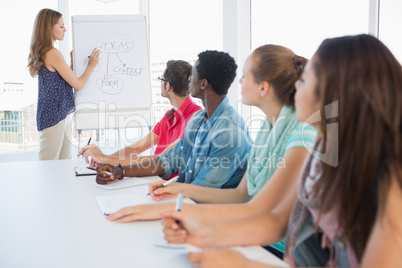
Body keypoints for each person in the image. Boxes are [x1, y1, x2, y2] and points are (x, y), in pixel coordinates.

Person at [161, 34, 402, 268]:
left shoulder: (390, 190)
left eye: (306, 80)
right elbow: (276, 219)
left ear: (338, 93)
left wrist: (243, 263)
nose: (296, 85)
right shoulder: (325, 146)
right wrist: (201, 234)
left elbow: (263, 214)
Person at [106, 45, 317, 257]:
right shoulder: (265, 126)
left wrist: (166, 210)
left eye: (245, 76)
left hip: (275, 247)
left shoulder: (249, 131)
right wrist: (172, 187)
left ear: (263, 88)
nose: (240, 82)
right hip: (251, 231)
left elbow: (255, 209)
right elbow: (240, 194)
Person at [95, 50, 252, 190]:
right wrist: (121, 171)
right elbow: (167, 161)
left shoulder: (229, 132)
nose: (189, 78)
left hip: (210, 212)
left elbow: (201, 190)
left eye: (194, 74)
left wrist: (166, 191)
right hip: (187, 200)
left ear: (203, 83)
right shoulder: (198, 120)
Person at [77, 60, 202, 169]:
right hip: (156, 177)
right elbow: (136, 149)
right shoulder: (170, 117)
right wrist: (104, 159)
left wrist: (106, 159)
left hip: (169, 184)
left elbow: (162, 160)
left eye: (161, 79)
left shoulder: (194, 117)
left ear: (168, 86)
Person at [28, 8, 100, 160]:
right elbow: (78, 85)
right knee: (48, 165)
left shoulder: (47, 52)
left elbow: (63, 82)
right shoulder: (52, 53)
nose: (65, 29)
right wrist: (91, 66)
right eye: (61, 26)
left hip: (57, 115)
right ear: (49, 28)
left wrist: (72, 65)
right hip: (54, 116)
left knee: (62, 163)